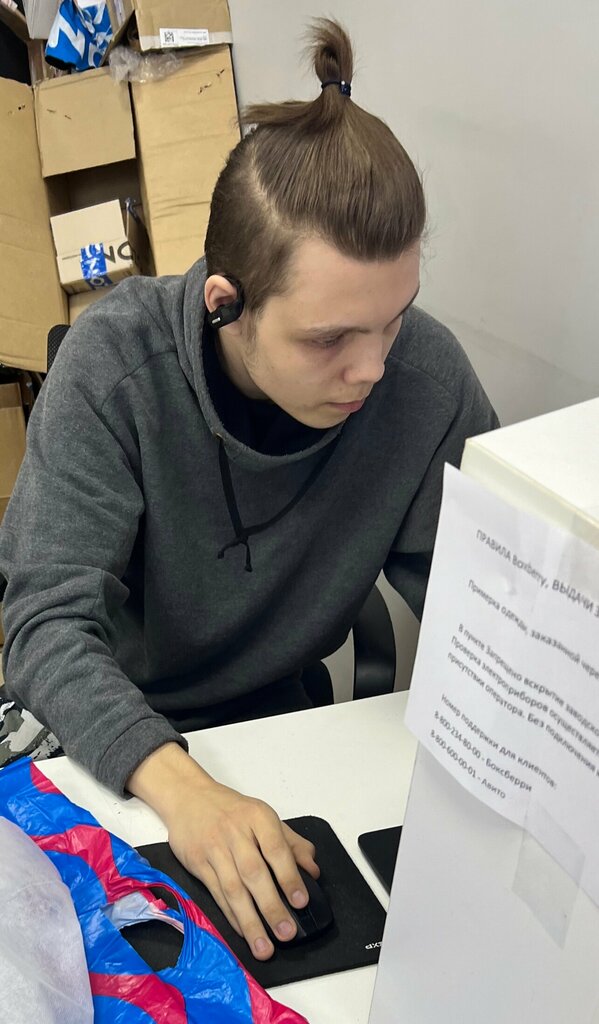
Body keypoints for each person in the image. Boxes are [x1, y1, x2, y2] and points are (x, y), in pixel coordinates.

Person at [0, 19, 498, 961]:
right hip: (109, 733)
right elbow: (44, 628)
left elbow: (486, 602)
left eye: (392, 319)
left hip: (285, 726)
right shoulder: (115, 371)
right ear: (224, 303)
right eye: (328, 339)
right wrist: (188, 794)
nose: (371, 369)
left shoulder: (423, 380)